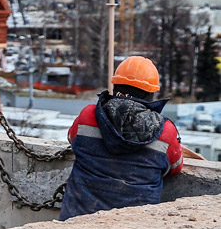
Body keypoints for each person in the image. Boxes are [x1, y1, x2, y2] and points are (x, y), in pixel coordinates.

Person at [59, 56, 183, 220]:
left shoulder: (88, 116)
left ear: (115, 85)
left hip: (76, 220)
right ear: (151, 94)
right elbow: (175, 168)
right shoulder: (166, 132)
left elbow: (72, 139)